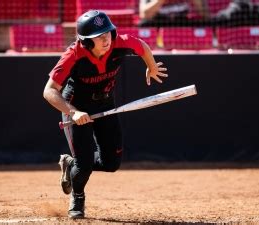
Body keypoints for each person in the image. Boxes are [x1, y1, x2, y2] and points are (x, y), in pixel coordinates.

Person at [43, 10, 168, 219]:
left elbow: (142, 46)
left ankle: (70, 164)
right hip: (75, 108)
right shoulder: (73, 55)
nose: (106, 39)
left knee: (111, 163)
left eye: (108, 33)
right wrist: (73, 113)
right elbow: (49, 91)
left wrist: (151, 67)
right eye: (99, 36)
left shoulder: (120, 42)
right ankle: (78, 196)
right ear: (85, 41)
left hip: (105, 105)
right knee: (84, 167)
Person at [138, 0, 211, 27]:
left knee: (204, 24)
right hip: (159, 24)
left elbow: (206, 15)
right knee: (144, 24)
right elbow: (144, 15)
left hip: (182, 24)